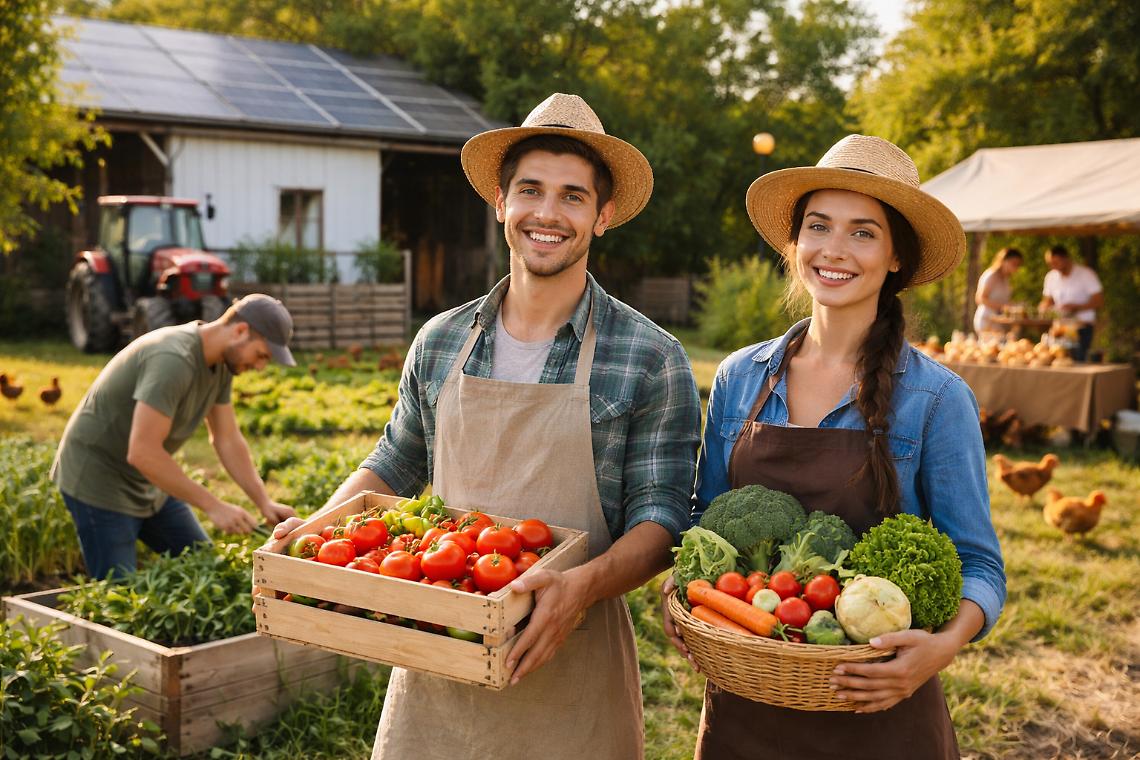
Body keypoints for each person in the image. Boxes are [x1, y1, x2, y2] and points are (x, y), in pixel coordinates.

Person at [270, 93, 701, 759]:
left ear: (603, 215)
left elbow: (662, 520)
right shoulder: (442, 340)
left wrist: (575, 589)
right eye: (530, 190)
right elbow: (395, 459)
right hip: (436, 656)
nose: (547, 214)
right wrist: (316, 531)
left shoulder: (649, 357)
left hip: (570, 666)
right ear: (500, 202)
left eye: (573, 196)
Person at [661, 134, 1006, 758]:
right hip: (749, 701)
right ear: (795, 245)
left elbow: (979, 565)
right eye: (818, 226)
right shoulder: (741, 377)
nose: (835, 250)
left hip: (879, 702)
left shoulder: (935, 398)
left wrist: (939, 647)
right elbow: (702, 520)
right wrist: (682, 589)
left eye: (863, 232)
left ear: (897, 256)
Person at [52, 294, 298, 579]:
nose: (260, 367)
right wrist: (213, 505)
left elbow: (226, 438)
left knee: (207, 568)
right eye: (261, 355)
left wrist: (263, 502)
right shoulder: (172, 359)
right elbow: (142, 452)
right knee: (119, 595)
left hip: (148, 481)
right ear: (240, 331)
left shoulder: (222, 363)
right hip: (99, 481)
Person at [1039, 244, 1103, 361]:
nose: (1053, 266)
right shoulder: (1051, 277)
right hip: (1059, 328)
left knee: (1078, 361)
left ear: (1066, 259)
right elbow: (1047, 301)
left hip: (1082, 326)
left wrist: (1077, 307)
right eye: (1050, 263)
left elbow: (1098, 301)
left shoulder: (1086, 274)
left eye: (1056, 262)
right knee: (1055, 359)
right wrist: (1043, 308)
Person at [972, 246, 1023, 333]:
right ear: (1004, 261)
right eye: (1014, 263)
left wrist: (1014, 306)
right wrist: (1004, 307)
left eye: (1018, 265)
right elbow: (980, 299)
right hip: (987, 320)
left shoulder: (1006, 279)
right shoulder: (991, 275)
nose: (1016, 267)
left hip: (999, 322)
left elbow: (1003, 300)